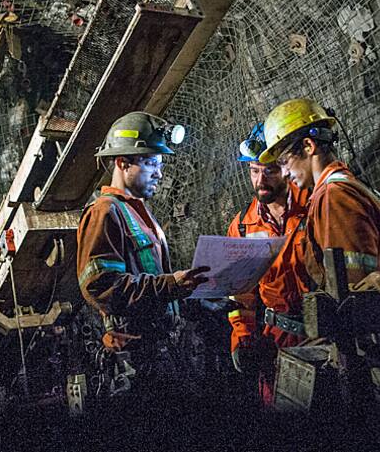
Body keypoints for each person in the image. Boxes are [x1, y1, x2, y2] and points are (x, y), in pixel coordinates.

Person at [76, 111, 209, 396]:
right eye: (150, 163)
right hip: (136, 359)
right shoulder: (104, 212)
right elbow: (101, 286)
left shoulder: (137, 212)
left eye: (159, 164)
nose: (159, 173)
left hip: (161, 350)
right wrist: (170, 284)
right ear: (123, 163)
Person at [258, 97, 380, 287]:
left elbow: (352, 286)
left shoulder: (334, 196)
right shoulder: (351, 187)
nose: (285, 173)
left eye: (284, 161)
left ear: (308, 146)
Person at [225, 122, 311, 405]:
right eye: (254, 171)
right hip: (277, 340)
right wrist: (243, 338)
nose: (260, 180)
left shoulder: (315, 205)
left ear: (286, 166)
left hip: (325, 332)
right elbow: (241, 296)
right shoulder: (243, 226)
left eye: (269, 171)